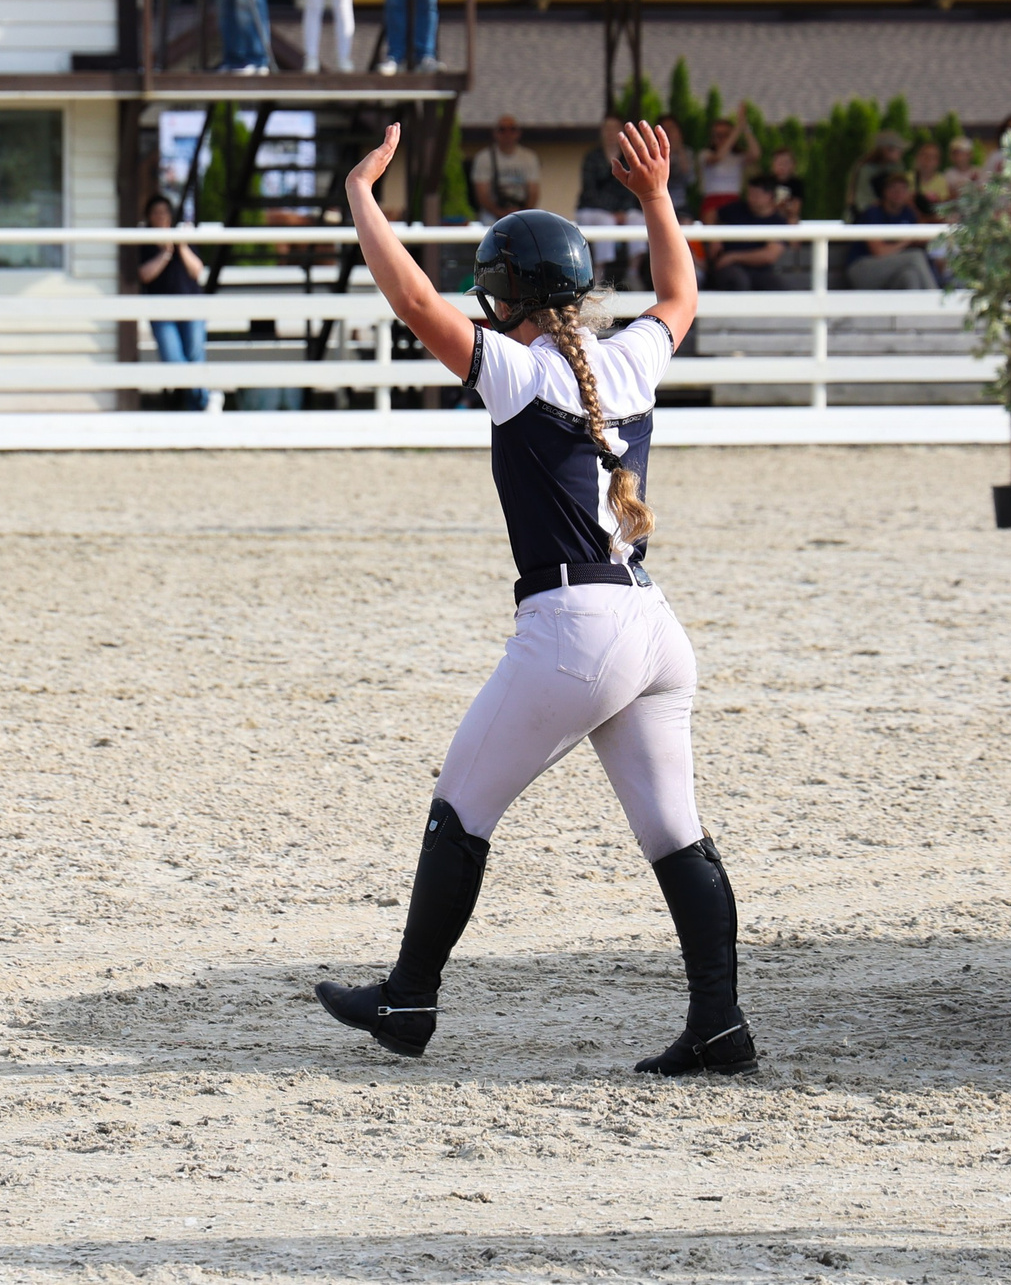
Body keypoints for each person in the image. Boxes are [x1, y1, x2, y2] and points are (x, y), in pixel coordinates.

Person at [315, 115, 754, 1077]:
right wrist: (654, 196)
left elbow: (410, 295)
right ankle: (719, 1023)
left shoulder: (515, 373)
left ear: (504, 296)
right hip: (651, 623)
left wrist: (361, 197)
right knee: (677, 832)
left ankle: (410, 997)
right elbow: (680, 292)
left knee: (460, 807)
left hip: (572, 627)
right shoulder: (629, 358)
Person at [132, 195, 210, 410]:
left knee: (195, 355)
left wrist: (181, 247)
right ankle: (204, 400)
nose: (160, 217)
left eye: (164, 212)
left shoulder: (183, 237)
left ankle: (196, 408)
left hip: (191, 306)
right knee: (173, 358)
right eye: (155, 213)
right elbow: (144, 275)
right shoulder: (144, 243)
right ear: (149, 217)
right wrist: (165, 253)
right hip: (161, 311)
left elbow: (197, 271)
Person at [576, 116, 646, 286]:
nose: (610, 133)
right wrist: (612, 212)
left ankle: (633, 271)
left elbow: (631, 189)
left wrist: (623, 211)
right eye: (607, 128)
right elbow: (589, 190)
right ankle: (599, 275)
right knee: (605, 221)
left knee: (638, 219)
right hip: (593, 209)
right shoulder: (592, 158)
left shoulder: (629, 159)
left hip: (622, 210)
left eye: (614, 128)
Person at [850, 173, 939, 291]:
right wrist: (906, 241)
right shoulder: (874, 213)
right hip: (863, 269)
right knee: (916, 256)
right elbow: (879, 251)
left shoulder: (908, 213)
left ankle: (916, 309)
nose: (898, 193)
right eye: (894, 188)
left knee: (910, 276)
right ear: (885, 192)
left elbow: (921, 238)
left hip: (891, 273)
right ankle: (936, 301)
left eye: (903, 189)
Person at [708, 179, 790, 291]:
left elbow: (769, 255)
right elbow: (710, 215)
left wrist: (733, 257)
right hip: (729, 268)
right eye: (750, 194)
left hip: (760, 269)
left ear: (769, 196)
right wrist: (714, 238)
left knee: (778, 287)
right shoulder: (736, 209)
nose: (751, 198)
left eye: (756, 195)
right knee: (736, 281)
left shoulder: (778, 222)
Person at [468, 115, 543, 222]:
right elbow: (482, 194)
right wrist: (501, 213)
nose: (507, 134)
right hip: (493, 214)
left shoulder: (529, 157)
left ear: (518, 133)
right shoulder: (484, 158)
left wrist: (521, 214)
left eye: (512, 129)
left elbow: (533, 192)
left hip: (522, 211)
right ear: (495, 133)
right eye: (502, 130)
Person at [698, 107, 755, 221]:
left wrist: (745, 129)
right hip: (712, 202)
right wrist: (737, 130)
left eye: (726, 134)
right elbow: (718, 158)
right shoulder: (705, 154)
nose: (722, 138)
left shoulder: (738, 156)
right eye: (718, 135)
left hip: (734, 201)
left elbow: (755, 153)